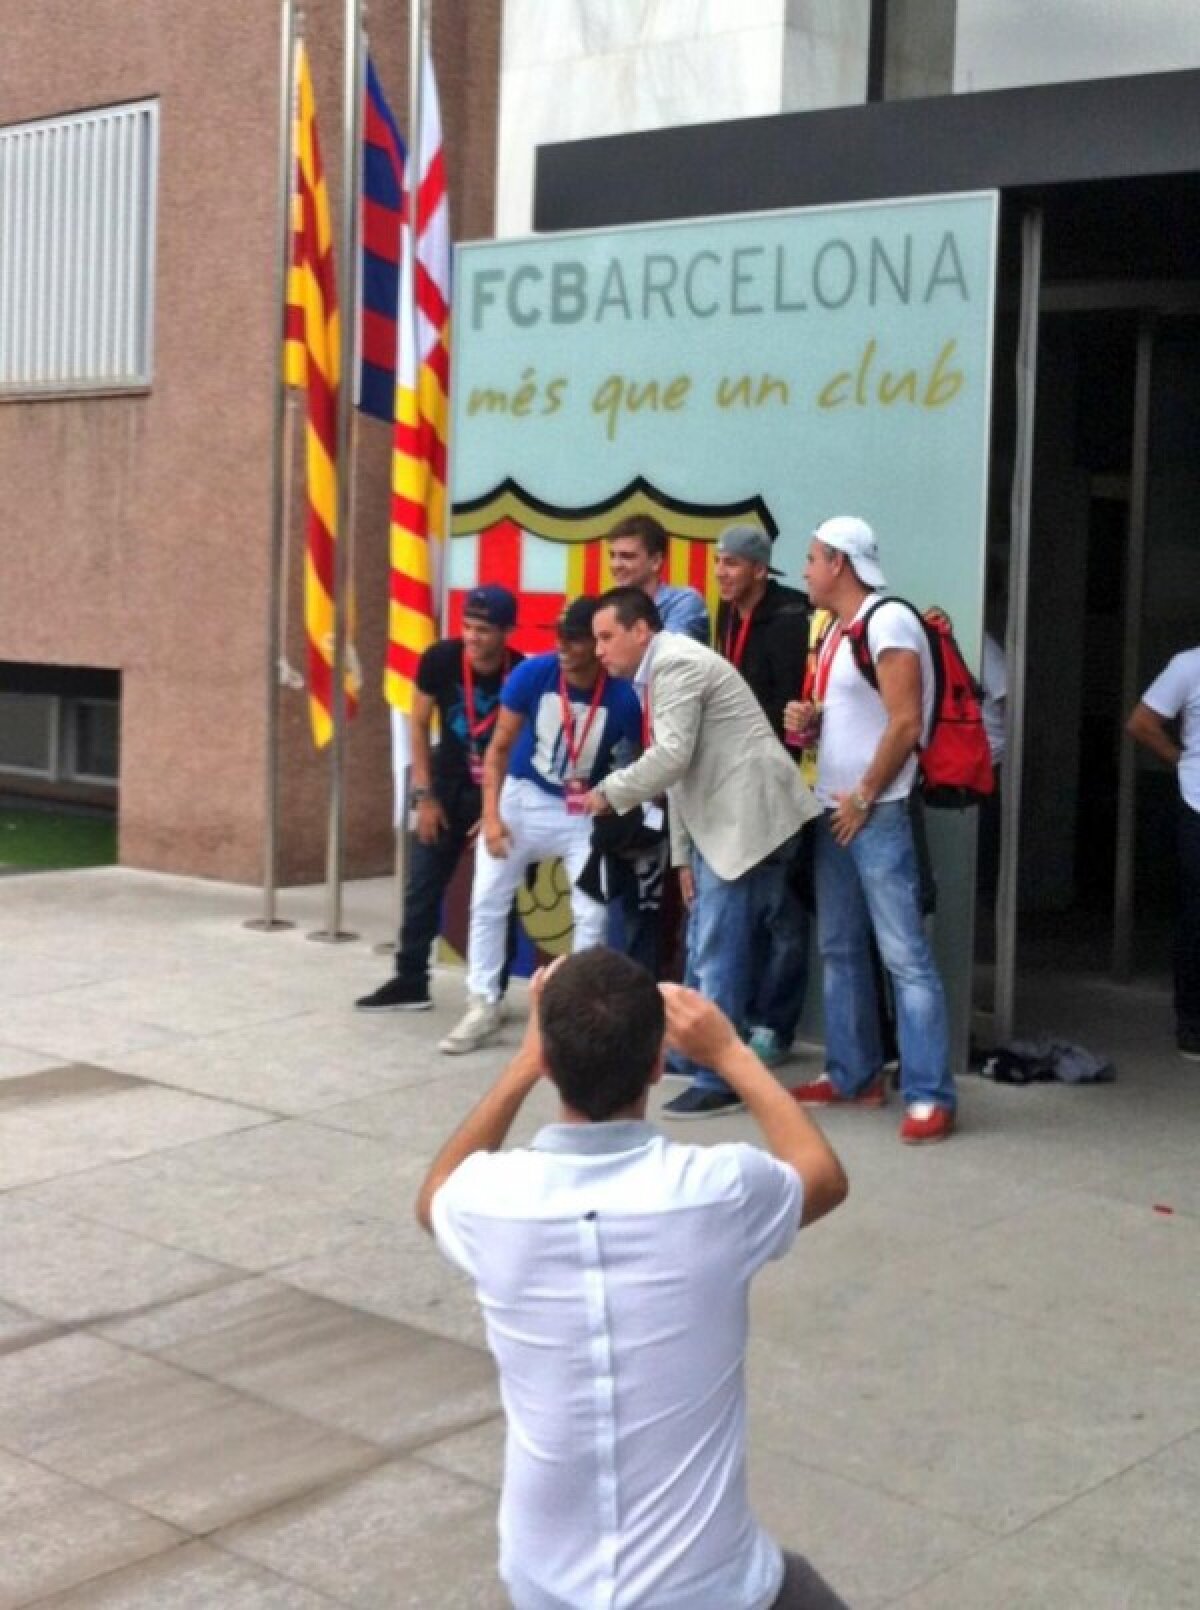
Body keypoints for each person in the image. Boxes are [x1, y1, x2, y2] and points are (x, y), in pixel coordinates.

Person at [416, 947, 850, 1610]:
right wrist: (729, 1052)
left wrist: (524, 1062)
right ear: (656, 1066)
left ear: (550, 1062)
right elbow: (821, 1175)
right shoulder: (719, 1190)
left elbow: (433, 1196)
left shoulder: (489, 1200)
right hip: (709, 1589)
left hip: (545, 1582)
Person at [585, 587, 819, 1117]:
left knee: (717, 947)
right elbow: (681, 774)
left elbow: (671, 758)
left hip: (745, 821)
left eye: (606, 637)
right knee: (709, 942)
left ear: (640, 631)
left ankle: (719, 1077)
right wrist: (682, 859)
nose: (598, 650)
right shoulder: (661, 668)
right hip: (734, 822)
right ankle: (697, 1055)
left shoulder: (674, 665)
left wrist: (611, 792)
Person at [785, 516, 957, 1144]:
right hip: (840, 809)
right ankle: (854, 1076)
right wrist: (811, 721)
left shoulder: (888, 622)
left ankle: (930, 1093)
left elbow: (905, 723)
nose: (805, 570)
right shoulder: (839, 628)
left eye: (812, 558)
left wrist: (862, 796)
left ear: (839, 562)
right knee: (840, 947)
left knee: (903, 955)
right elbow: (862, 718)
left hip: (873, 811)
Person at [439, 596, 643, 1055]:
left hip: (583, 807)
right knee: (488, 897)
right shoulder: (533, 674)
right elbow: (498, 748)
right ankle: (483, 1002)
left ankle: (580, 1010)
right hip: (523, 797)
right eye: (559, 639)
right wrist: (492, 817)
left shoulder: (622, 696)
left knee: (591, 912)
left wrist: (616, 804)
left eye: (575, 640)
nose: (563, 649)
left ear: (597, 645)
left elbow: (636, 760)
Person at [355, 585, 521, 1014]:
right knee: (422, 887)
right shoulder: (440, 659)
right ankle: (410, 980)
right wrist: (424, 796)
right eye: (467, 626)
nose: (472, 637)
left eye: (483, 630)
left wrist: (496, 811)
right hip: (445, 787)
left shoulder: (520, 671)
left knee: (497, 893)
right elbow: (418, 724)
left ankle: (493, 991)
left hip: (495, 793)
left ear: (506, 632)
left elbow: (522, 746)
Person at [714, 522, 813, 1067]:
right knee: (747, 909)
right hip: (737, 782)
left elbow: (793, 707)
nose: (721, 573)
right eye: (718, 562)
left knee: (782, 911)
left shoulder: (791, 618)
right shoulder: (728, 613)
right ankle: (745, 1017)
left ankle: (775, 1025)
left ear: (758, 568)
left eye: (731, 563)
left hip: (779, 783)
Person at [1126, 646, 1200, 1060]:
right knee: (1197, 918)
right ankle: (1192, 1023)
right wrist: (1182, 761)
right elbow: (1141, 723)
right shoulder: (1188, 666)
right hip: (1198, 804)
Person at [607, 511, 710, 642]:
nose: (616, 564)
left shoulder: (683, 601)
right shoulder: (609, 606)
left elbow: (667, 651)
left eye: (627, 556)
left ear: (656, 561)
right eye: (612, 555)